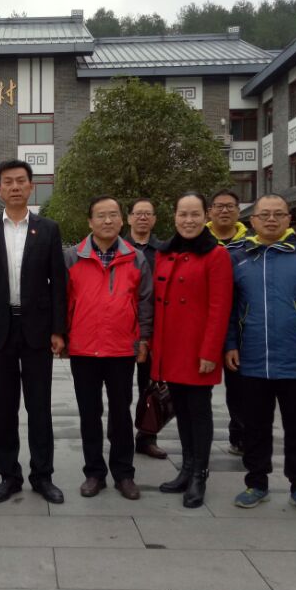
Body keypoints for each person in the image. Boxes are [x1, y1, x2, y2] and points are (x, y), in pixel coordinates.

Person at [225, 194, 296, 517]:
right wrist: (230, 344)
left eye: (278, 214)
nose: (271, 219)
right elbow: (229, 308)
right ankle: (256, 483)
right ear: (252, 221)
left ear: (289, 219)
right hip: (252, 360)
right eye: (264, 215)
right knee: (254, 428)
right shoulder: (239, 258)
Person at [0, 159, 67, 504]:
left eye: (20, 181)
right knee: (4, 406)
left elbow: (58, 283)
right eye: (8, 182)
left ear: (30, 187)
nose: (14, 187)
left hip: (37, 329)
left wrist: (58, 329)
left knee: (40, 406)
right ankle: (8, 476)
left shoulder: (48, 229)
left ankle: (43, 475)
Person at [65, 195, 152, 500]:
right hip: (84, 349)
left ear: (121, 219)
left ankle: (124, 473)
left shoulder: (136, 258)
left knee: (121, 413)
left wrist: (144, 339)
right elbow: (63, 299)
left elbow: (145, 301)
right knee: (89, 414)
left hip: (121, 348)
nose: (107, 220)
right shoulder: (72, 257)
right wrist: (62, 335)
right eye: (101, 215)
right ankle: (94, 473)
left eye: (113, 214)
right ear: (90, 222)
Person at [153, 192, 233, 508]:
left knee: (199, 412)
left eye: (195, 214)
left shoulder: (216, 255)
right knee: (182, 411)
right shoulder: (165, 253)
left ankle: (200, 474)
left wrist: (210, 352)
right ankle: (186, 468)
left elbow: (220, 308)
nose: (188, 220)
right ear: (174, 216)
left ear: (206, 216)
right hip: (171, 348)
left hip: (198, 349)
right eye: (183, 214)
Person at [206, 188, 249, 456]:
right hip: (205, 325)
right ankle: (198, 443)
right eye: (219, 206)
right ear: (209, 211)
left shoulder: (252, 244)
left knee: (240, 387)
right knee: (199, 389)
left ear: (238, 211)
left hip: (241, 326)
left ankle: (240, 437)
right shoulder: (198, 242)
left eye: (230, 206)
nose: (224, 210)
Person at [124, 197, 167, 460]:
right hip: (121, 328)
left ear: (154, 219)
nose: (142, 218)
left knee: (150, 387)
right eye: (138, 213)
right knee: (119, 390)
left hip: (152, 329)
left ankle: (147, 436)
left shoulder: (164, 251)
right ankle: (119, 437)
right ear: (128, 218)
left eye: (147, 214)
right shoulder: (118, 248)